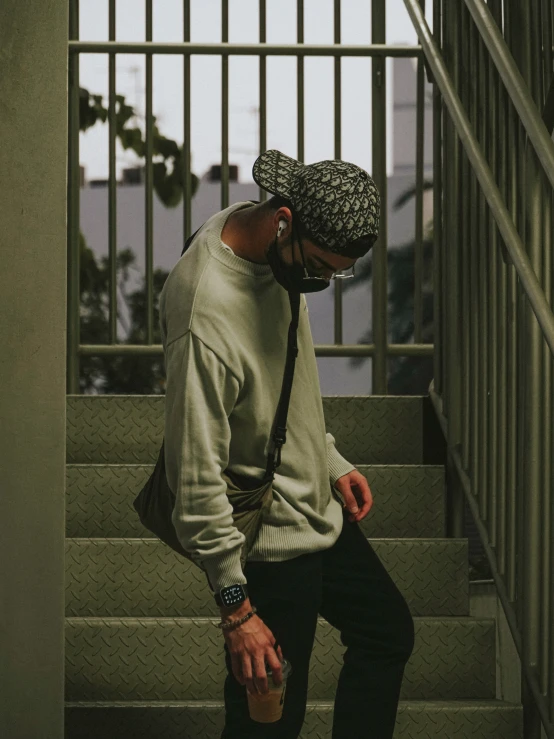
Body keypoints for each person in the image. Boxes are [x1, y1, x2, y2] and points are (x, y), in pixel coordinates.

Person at [158, 150, 415, 739]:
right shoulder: (206, 313)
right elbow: (193, 478)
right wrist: (236, 609)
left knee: (386, 632)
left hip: (312, 502)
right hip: (269, 537)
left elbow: (284, 377)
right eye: (323, 267)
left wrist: (326, 458)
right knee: (271, 718)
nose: (325, 282)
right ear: (286, 218)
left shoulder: (269, 249)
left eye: (339, 271)